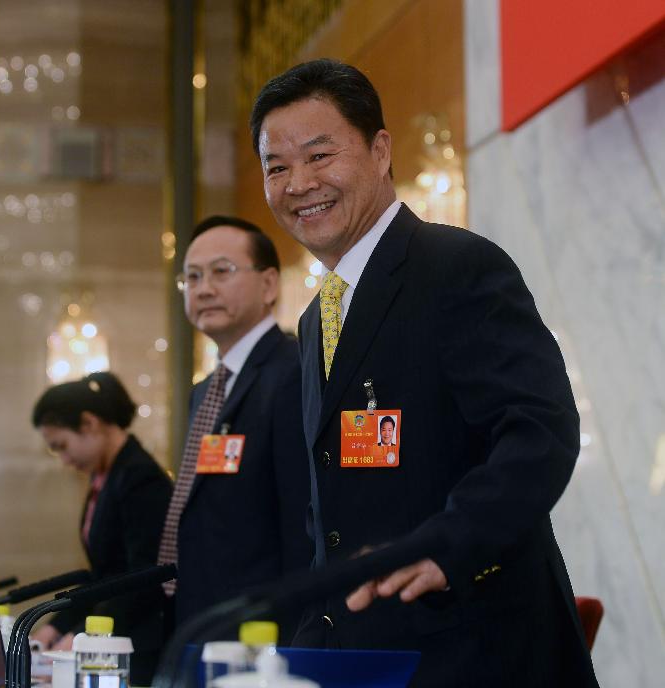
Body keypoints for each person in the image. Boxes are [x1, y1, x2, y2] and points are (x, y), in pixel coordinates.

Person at [251, 59, 598, 686]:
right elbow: (328, 512)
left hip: (474, 651)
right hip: (358, 657)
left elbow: (539, 428)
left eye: (320, 155)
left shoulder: (455, 266)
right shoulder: (313, 321)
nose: (298, 183)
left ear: (381, 150)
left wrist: (451, 541)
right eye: (276, 167)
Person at [158, 215, 312, 642]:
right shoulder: (205, 390)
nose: (203, 288)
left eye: (221, 272)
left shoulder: (293, 374)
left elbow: (301, 523)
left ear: (268, 285)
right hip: (204, 620)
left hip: (262, 631)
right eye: (192, 277)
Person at [30, 372, 172, 686]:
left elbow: (142, 577)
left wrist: (81, 636)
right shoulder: (105, 478)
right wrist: (55, 628)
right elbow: (102, 577)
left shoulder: (140, 477)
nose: (65, 460)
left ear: (89, 423)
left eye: (62, 446)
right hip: (110, 634)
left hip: (134, 643)